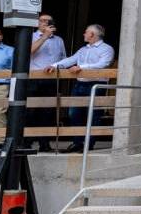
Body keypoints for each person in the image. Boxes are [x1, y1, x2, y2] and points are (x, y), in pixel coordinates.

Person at [48, 24, 115, 153]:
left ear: (92, 35)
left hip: (96, 85)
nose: (84, 34)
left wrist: (82, 67)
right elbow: (70, 60)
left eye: (86, 32)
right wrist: (53, 65)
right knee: (74, 114)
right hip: (80, 85)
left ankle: (89, 144)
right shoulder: (83, 49)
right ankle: (77, 142)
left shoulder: (107, 49)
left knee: (94, 115)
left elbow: (103, 64)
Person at [28, 13, 67, 152]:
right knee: (30, 111)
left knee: (48, 112)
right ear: (37, 23)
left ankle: (44, 143)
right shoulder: (30, 36)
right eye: (42, 20)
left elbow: (63, 58)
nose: (45, 23)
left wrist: (58, 67)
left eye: (48, 21)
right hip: (33, 78)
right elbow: (28, 52)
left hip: (51, 79)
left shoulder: (59, 40)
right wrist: (44, 36)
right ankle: (27, 142)